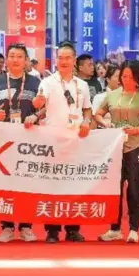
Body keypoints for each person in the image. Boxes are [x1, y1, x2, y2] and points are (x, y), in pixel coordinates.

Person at [32, 42, 92, 243]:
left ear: (74, 61)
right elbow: (39, 103)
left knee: (74, 184)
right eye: (60, 58)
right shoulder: (47, 82)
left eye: (67, 58)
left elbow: (87, 110)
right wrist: (38, 103)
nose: (63, 61)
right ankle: (52, 230)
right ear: (56, 60)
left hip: (76, 140)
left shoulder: (82, 85)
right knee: (53, 185)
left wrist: (87, 122)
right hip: (52, 141)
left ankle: (73, 228)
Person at [0, 44, 42, 243]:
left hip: (29, 140)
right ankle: (7, 226)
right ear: (7, 60)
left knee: (27, 181)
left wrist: (35, 116)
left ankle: (26, 226)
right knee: (5, 183)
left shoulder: (36, 82)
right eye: (12, 56)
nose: (16, 60)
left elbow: (45, 108)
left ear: (26, 60)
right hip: (3, 142)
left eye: (20, 56)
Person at [95, 61, 139, 243]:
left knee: (135, 190)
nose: (126, 80)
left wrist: (136, 130)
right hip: (115, 148)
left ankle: (134, 228)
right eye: (123, 77)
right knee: (114, 190)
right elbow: (98, 114)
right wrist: (107, 124)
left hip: (137, 146)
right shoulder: (112, 95)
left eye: (130, 77)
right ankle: (114, 228)